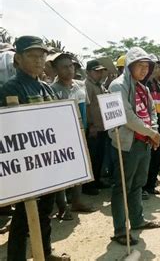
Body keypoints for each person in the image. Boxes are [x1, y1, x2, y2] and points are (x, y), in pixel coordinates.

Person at [0, 35, 71, 261]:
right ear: (18, 59)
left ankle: (46, 252)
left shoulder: (45, 88)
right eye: (32, 55)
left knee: (44, 212)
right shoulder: (10, 88)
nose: (39, 60)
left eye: (42, 56)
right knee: (23, 217)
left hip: (46, 165)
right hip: (26, 166)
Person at [108, 47, 160, 246]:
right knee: (122, 186)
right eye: (140, 65)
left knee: (138, 184)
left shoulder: (144, 88)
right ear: (130, 65)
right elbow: (128, 117)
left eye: (146, 66)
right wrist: (152, 133)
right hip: (126, 143)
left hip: (144, 141)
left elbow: (152, 112)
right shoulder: (117, 86)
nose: (144, 69)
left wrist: (153, 131)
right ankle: (120, 230)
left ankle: (137, 220)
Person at [50, 52, 96, 219]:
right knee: (61, 173)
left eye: (71, 66)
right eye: (64, 67)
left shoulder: (79, 86)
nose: (69, 70)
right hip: (61, 137)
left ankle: (77, 201)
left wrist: (90, 126)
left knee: (80, 168)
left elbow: (87, 108)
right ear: (55, 69)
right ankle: (62, 207)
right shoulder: (52, 90)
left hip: (80, 134)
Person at [144, 54, 160, 196]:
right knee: (148, 158)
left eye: (159, 65)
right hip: (150, 127)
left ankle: (151, 185)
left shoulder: (159, 85)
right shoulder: (145, 84)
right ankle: (144, 187)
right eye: (154, 65)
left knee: (156, 158)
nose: (158, 68)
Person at [84, 59, 110, 195]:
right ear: (88, 72)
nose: (99, 74)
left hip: (102, 127)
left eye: (101, 71)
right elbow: (87, 107)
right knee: (92, 157)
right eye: (97, 71)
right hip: (94, 128)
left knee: (99, 156)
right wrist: (91, 125)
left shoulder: (99, 85)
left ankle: (97, 180)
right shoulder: (87, 85)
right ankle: (89, 185)